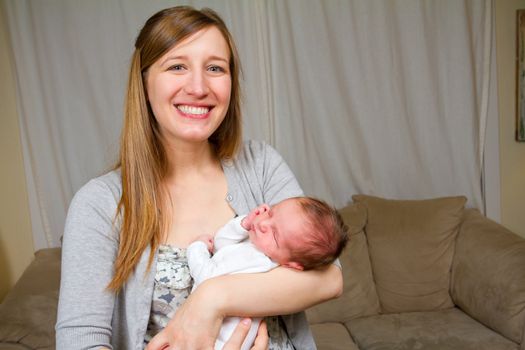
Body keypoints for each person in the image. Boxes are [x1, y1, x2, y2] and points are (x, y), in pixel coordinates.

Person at [56, 5, 343, 350]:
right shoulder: (99, 204)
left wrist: (210, 298)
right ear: (144, 83)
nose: (198, 86)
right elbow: (79, 340)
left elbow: (329, 278)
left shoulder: (261, 164)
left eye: (215, 68)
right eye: (177, 66)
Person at [186, 197, 349, 350]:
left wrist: (196, 248)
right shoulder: (261, 249)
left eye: (275, 234)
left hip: (218, 342)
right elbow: (222, 246)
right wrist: (244, 224)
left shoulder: (258, 262)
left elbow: (206, 279)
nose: (264, 223)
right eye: (271, 212)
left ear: (293, 264)